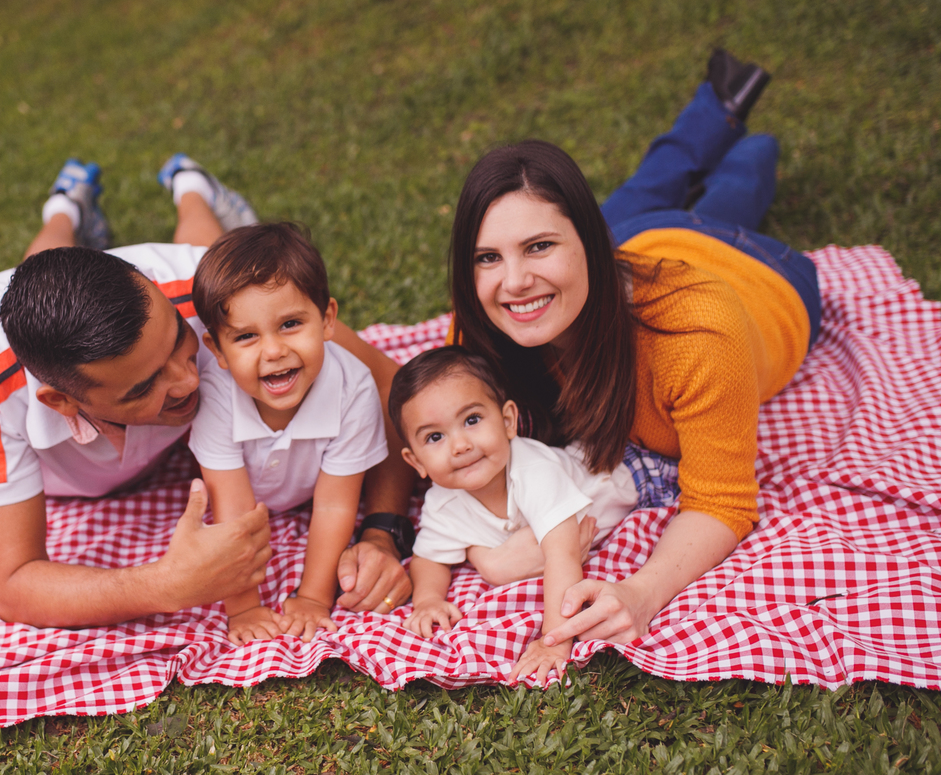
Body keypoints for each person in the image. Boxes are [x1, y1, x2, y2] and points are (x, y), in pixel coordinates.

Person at [0, 155, 412, 629]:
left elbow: (389, 383)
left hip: (185, 266)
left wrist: (383, 531)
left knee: (207, 247)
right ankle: (64, 210)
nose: (189, 382)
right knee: (35, 267)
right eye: (144, 386)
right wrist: (164, 585)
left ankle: (193, 188)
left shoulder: (198, 289)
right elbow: (13, 588)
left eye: (181, 345)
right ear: (62, 402)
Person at [445, 49, 822, 645]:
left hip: (756, 273)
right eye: (488, 257)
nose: (512, 282)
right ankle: (722, 107)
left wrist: (641, 592)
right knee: (647, 188)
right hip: (642, 245)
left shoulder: (698, 336)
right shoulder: (485, 327)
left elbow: (723, 500)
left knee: (736, 193)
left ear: (589, 245)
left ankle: (755, 150)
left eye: (539, 246)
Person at [189, 223, 388, 645]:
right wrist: (243, 606)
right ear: (218, 352)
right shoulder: (216, 393)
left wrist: (314, 597)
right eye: (245, 337)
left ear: (327, 320)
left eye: (291, 324)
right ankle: (188, 190)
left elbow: (335, 506)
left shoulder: (353, 388)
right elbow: (233, 507)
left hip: (310, 497)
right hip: (244, 495)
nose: (274, 351)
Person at [389, 347, 637, 681]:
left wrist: (554, 640)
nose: (460, 445)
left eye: (472, 420)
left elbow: (563, 556)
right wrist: (428, 600)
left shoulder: (533, 471)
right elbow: (428, 559)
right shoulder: (443, 502)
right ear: (416, 461)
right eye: (435, 437)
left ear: (508, 421)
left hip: (630, 475)